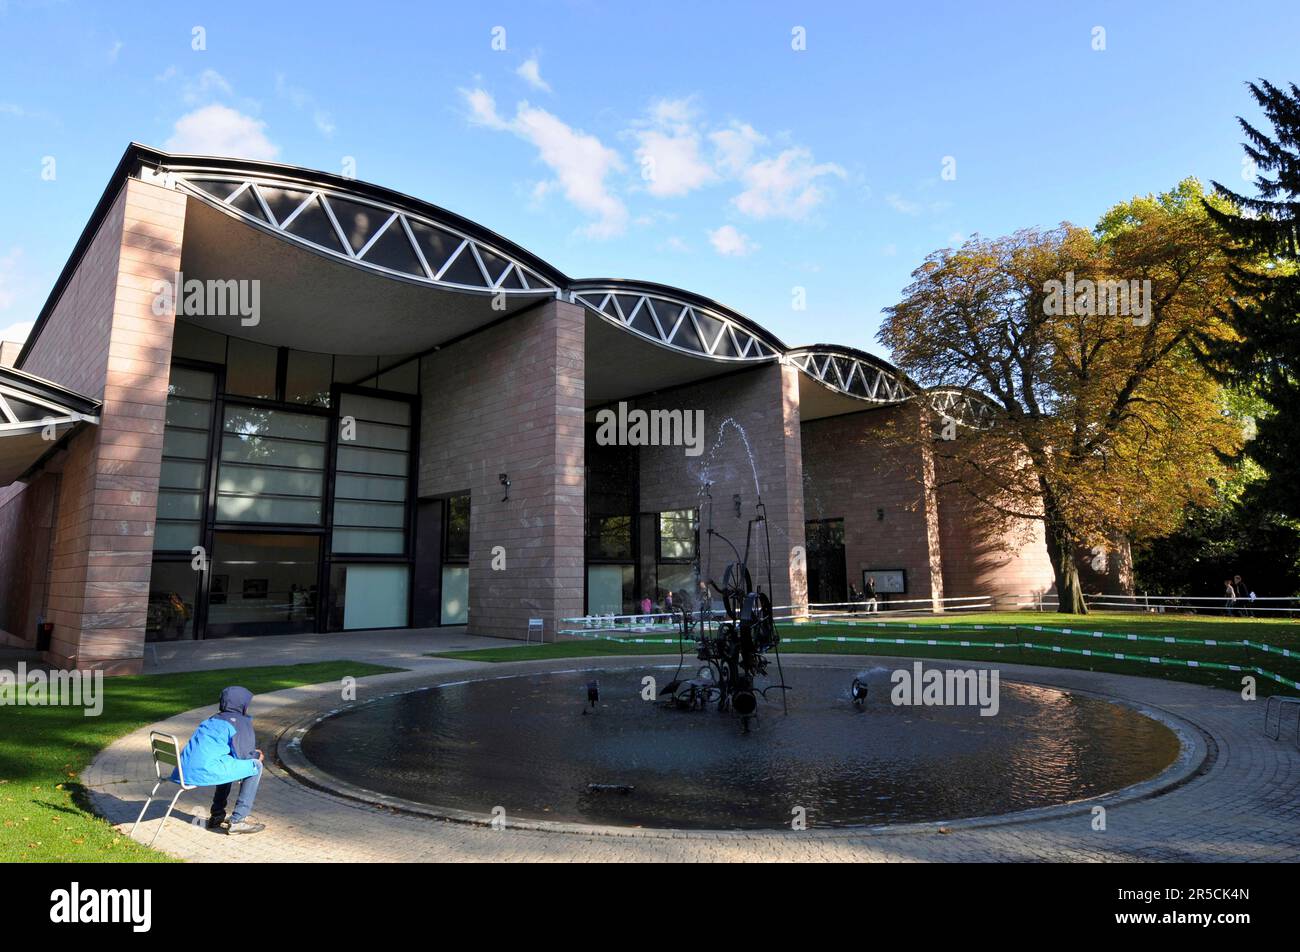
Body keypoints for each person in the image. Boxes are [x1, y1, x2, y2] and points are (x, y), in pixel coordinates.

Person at [173, 686, 266, 835]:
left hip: (183, 771)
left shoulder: (212, 719)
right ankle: (238, 820)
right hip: (203, 771)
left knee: (227, 762)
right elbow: (244, 756)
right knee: (256, 766)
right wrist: (256, 755)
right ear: (241, 704)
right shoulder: (239, 722)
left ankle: (217, 815)